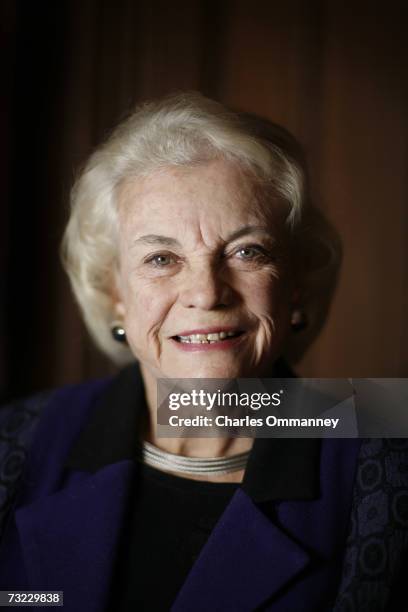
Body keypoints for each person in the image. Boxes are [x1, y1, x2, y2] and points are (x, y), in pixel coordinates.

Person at [0, 93, 406, 612]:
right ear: (115, 295)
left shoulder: (389, 461)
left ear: (297, 285)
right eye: (162, 257)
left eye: (246, 251)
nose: (207, 292)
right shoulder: (15, 443)